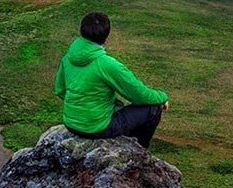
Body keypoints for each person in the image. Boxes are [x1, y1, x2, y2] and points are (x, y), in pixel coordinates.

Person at [54, 12, 169, 148]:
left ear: (82, 31)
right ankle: (138, 150)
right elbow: (138, 94)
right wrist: (162, 97)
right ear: (106, 37)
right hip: (97, 128)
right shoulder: (107, 64)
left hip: (71, 124)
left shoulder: (68, 57)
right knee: (153, 108)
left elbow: (59, 90)